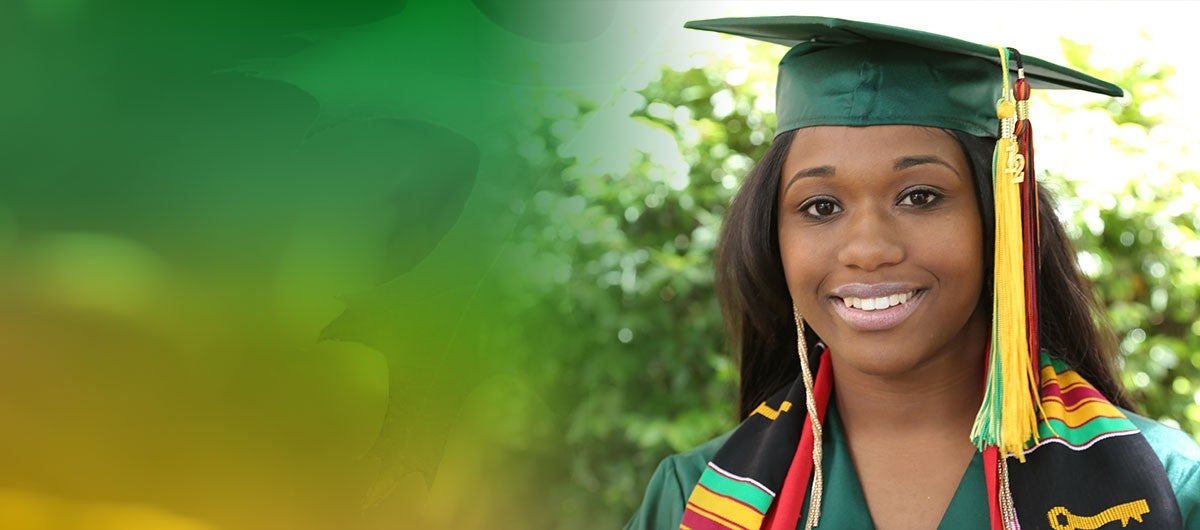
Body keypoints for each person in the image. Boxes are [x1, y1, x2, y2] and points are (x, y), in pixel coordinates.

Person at [625, 16, 1200, 530]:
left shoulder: (1164, 488)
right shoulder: (692, 499)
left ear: (998, 220)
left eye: (920, 196)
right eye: (820, 206)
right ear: (773, 241)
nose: (869, 249)